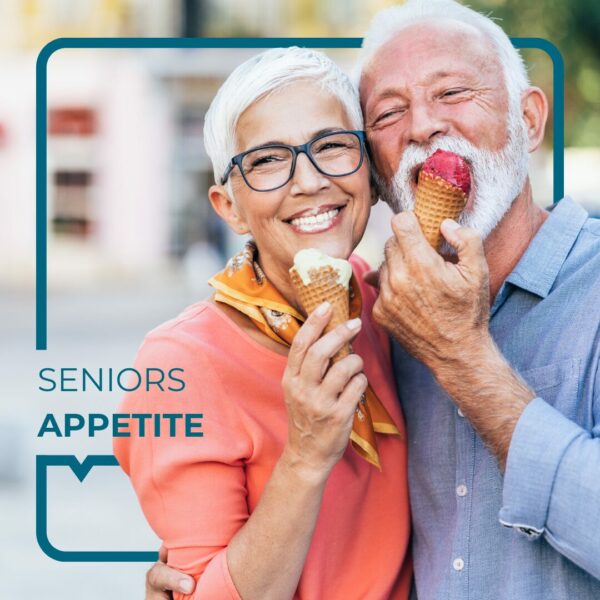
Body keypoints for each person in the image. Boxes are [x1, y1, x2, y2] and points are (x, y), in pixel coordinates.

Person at [148, 1, 600, 599]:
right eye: (389, 112)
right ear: (380, 171)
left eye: (454, 91)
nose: (422, 127)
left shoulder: (398, 317)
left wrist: (463, 360)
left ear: (531, 118)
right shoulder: (383, 310)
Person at [115, 47, 412, 600]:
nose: (309, 180)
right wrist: (304, 455)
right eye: (269, 160)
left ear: (369, 173)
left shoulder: (391, 306)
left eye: (332, 146)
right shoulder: (180, 363)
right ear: (227, 206)